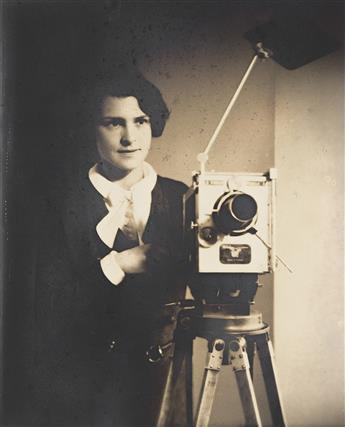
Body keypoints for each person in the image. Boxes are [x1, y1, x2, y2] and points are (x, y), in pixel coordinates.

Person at [31, 72, 189, 426]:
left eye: (140, 121)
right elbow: (48, 311)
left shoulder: (182, 196)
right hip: (86, 387)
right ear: (91, 128)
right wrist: (117, 264)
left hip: (166, 380)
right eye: (113, 123)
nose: (130, 137)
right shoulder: (60, 205)